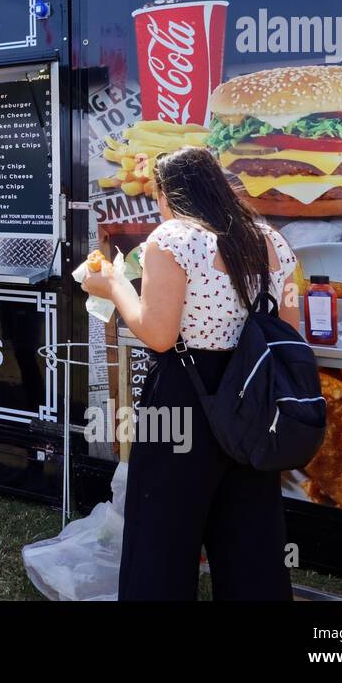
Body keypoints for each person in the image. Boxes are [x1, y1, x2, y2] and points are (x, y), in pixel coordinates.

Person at [79, 146, 300, 601]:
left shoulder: (172, 238)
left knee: (161, 538)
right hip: (255, 397)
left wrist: (113, 285)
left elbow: (158, 335)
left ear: (166, 193)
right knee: (251, 539)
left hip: (184, 395)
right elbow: (290, 330)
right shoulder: (272, 239)